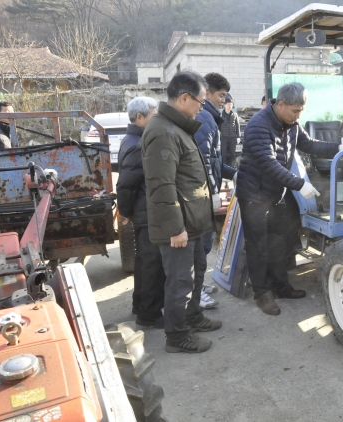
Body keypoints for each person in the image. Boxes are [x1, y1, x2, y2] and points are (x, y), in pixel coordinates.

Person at [236, 82, 343, 315]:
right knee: (257, 245)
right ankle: (262, 292)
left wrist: (340, 146)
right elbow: (268, 163)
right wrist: (300, 184)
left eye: (301, 111)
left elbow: (309, 145)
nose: (299, 115)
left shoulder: (292, 124)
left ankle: (280, 285)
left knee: (280, 241)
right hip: (255, 194)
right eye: (295, 111)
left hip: (277, 192)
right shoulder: (259, 125)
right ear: (280, 104)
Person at [142, 70, 222, 353]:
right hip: (179, 227)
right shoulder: (163, 131)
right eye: (201, 102)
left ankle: (192, 316)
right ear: (184, 98)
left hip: (193, 222)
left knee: (196, 272)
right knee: (180, 283)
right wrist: (175, 229)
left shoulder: (177, 127)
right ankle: (176, 337)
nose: (202, 108)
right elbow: (161, 186)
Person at [116, 97, 166, 328]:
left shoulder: (134, 139)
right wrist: (124, 212)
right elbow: (126, 184)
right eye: (153, 116)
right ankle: (149, 315)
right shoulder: (137, 144)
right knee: (152, 265)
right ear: (140, 118)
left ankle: (141, 306)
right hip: (146, 213)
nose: (157, 120)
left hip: (143, 211)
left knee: (144, 262)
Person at [194, 72, 237, 309]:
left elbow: (215, 161)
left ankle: (198, 285)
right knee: (201, 245)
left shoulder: (210, 118)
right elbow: (203, 163)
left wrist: (232, 173)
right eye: (221, 95)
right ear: (207, 93)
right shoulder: (205, 120)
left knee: (204, 244)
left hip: (207, 190)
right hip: (202, 194)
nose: (224, 99)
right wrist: (211, 194)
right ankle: (195, 292)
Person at [220, 96, 240, 168]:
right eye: (228, 104)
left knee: (233, 154)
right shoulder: (221, 115)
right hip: (224, 137)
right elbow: (218, 126)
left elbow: (237, 125)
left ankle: (232, 169)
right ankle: (224, 169)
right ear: (225, 105)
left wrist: (238, 137)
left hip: (232, 137)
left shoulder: (234, 114)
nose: (230, 106)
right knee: (223, 154)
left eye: (231, 104)